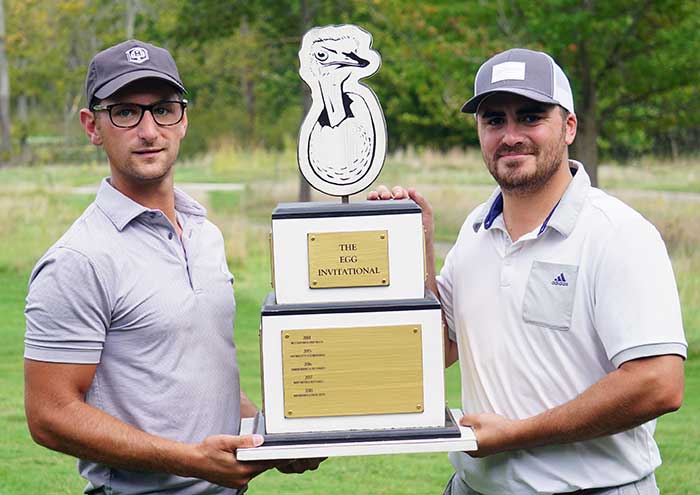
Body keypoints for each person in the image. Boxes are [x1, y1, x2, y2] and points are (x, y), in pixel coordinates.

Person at [370, 48, 687, 494]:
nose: (510, 135)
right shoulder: (477, 229)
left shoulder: (618, 234)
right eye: (494, 120)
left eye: (531, 117)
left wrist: (517, 433)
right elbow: (432, 351)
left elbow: (659, 383)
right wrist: (413, 246)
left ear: (569, 126)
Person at [24, 39, 320, 495]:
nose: (148, 130)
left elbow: (198, 380)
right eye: (125, 111)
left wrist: (270, 438)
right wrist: (190, 461)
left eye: (163, 109)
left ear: (183, 120)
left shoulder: (206, 235)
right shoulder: (78, 260)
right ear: (92, 126)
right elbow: (49, 415)